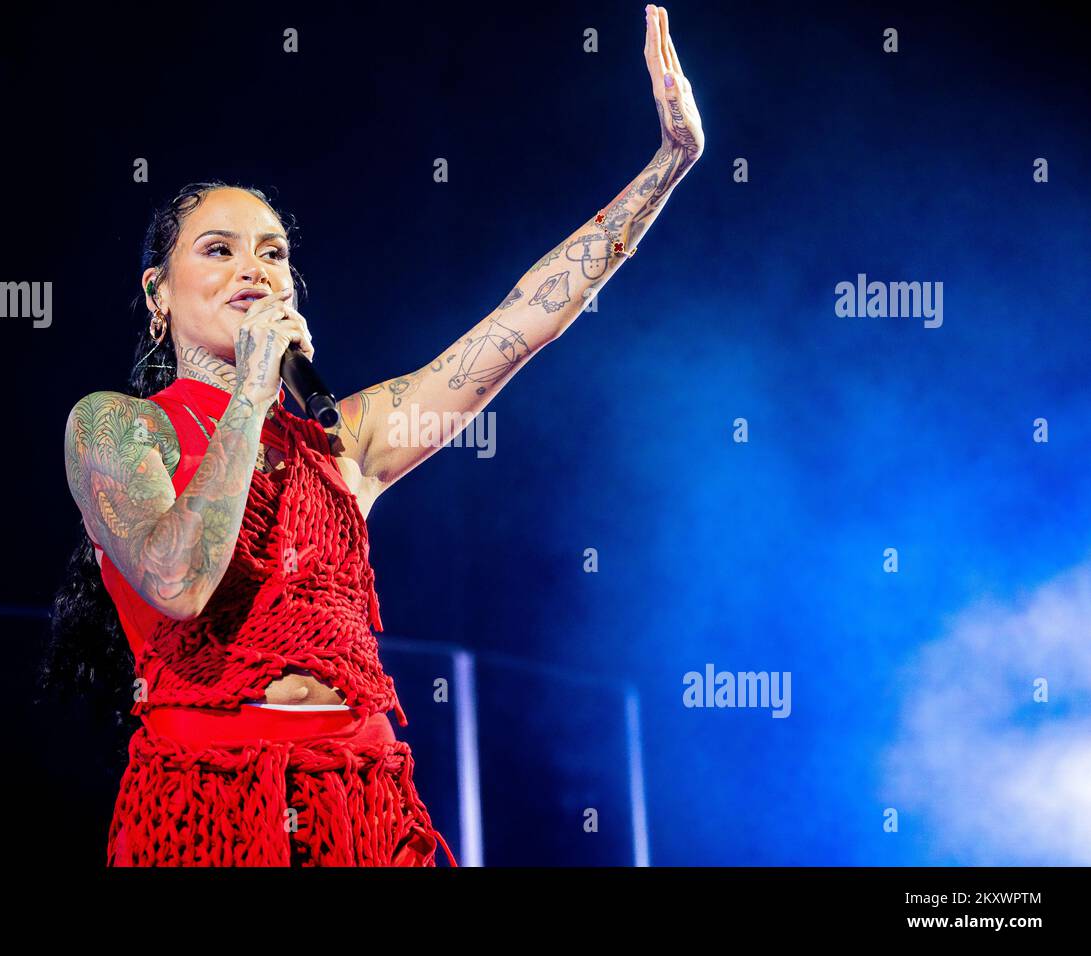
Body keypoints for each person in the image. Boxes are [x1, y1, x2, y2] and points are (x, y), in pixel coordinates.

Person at [44, 3, 703, 866]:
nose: (255, 268)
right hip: (208, 801)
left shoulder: (339, 438)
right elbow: (177, 579)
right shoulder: (114, 427)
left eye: (273, 253)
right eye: (219, 249)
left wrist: (671, 163)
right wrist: (249, 384)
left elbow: (524, 319)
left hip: (361, 800)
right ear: (157, 292)